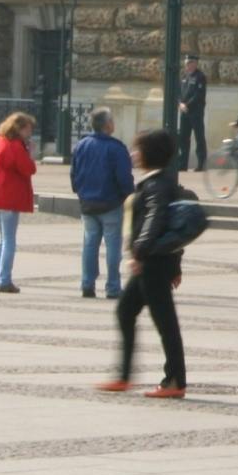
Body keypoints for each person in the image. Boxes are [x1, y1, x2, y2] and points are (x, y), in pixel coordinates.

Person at [97, 128, 194, 399]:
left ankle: (174, 381)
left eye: (137, 148)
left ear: (148, 153)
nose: (133, 153)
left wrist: (139, 253)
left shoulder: (155, 186)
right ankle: (125, 376)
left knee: (165, 322)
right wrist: (175, 266)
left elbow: (156, 220)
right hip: (156, 261)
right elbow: (171, 229)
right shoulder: (160, 182)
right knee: (126, 312)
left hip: (152, 263)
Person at [71, 107, 134, 300]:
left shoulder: (81, 145)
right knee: (113, 245)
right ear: (107, 125)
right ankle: (113, 286)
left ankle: (87, 284)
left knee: (90, 244)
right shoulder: (116, 148)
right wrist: (128, 194)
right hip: (110, 202)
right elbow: (124, 177)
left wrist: (80, 192)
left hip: (88, 202)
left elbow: (74, 173)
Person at [0, 112, 38, 294]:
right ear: (19, 128)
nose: (29, 133)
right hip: (9, 198)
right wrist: (30, 153)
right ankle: (4, 279)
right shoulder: (14, 146)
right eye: (28, 129)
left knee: (1, 240)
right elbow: (28, 169)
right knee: (9, 242)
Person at [177, 54, 208, 171]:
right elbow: (178, 92)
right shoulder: (184, 76)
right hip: (184, 111)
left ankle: (201, 164)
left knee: (199, 137)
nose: (187, 65)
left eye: (190, 63)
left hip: (196, 112)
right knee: (183, 138)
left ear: (195, 63)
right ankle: (182, 164)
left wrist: (187, 104)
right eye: (186, 63)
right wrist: (180, 103)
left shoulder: (200, 77)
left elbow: (198, 95)